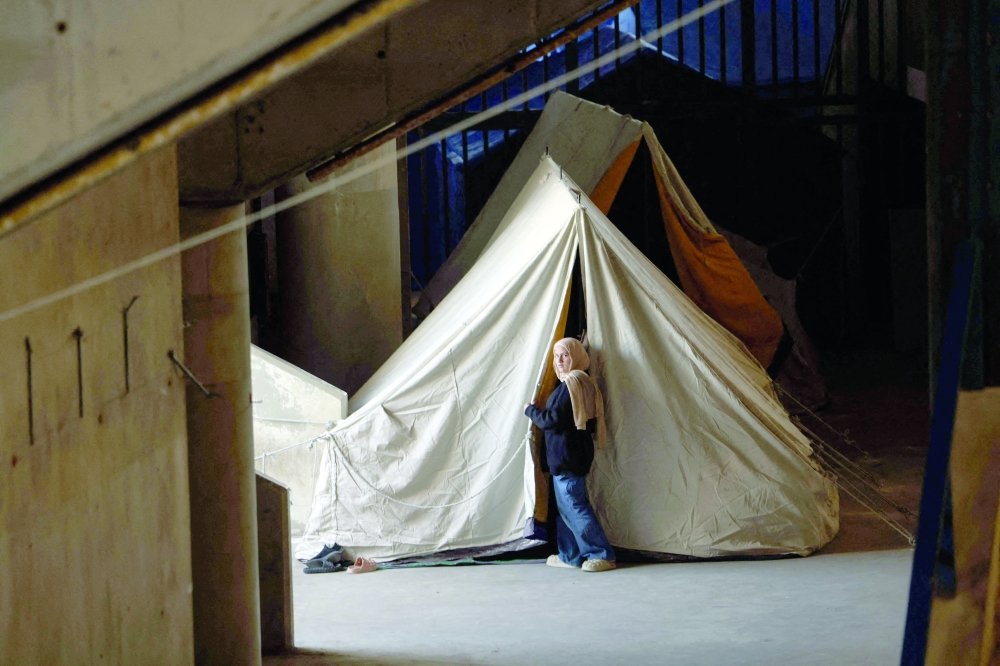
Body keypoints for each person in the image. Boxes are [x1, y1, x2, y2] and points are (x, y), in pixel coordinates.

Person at [524, 337, 615, 572]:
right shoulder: (580, 382)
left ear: (575, 356)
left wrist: (530, 410)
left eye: (565, 355)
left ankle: (601, 554)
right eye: (557, 356)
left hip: (568, 458)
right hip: (568, 457)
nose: (560, 360)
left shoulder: (571, 385)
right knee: (564, 508)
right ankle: (569, 555)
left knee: (574, 506)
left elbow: (552, 420)